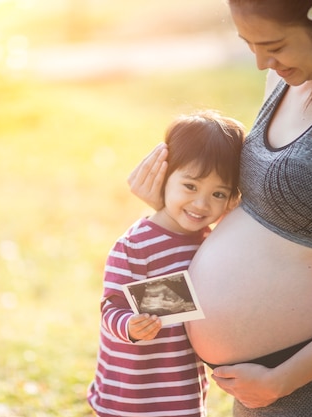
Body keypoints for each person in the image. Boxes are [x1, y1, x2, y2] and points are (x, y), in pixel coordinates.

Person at [128, 0, 312, 416]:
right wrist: (168, 212)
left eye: (274, 44)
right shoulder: (285, 82)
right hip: (251, 387)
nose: (263, 62)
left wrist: (279, 381)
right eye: (250, 45)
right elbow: (260, 214)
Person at [88, 110, 245, 417]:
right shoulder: (135, 245)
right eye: (190, 186)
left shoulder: (210, 243)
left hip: (181, 392)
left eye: (217, 193)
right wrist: (129, 325)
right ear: (164, 175)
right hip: (127, 396)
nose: (201, 204)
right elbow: (111, 305)